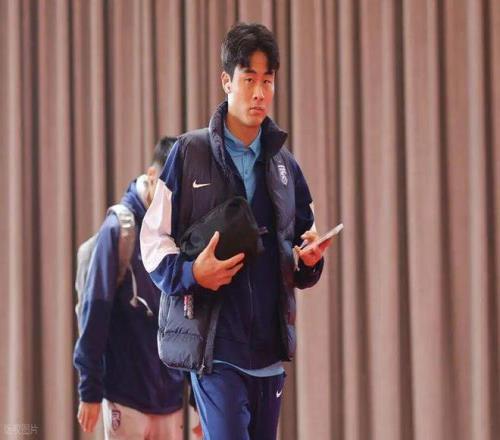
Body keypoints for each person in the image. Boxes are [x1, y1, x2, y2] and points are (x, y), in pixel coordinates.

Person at [140, 23, 333, 440]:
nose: (260, 92)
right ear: (227, 81)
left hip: (269, 354)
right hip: (216, 351)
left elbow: (304, 243)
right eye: (249, 80)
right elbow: (152, 243)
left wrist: (310, 260)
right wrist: (193, 274)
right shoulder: (188, 153)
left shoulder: (285, 165)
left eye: (267, 81)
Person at [74, 137, 185, 439]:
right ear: (152, 176)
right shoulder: (118, 230)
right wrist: (90, 389)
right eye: (167, 191)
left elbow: (188, 318)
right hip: (125, 396)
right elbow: (94, 312)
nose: (171, 203)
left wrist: (195, 399)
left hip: (171, 398)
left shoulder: (179, 230)